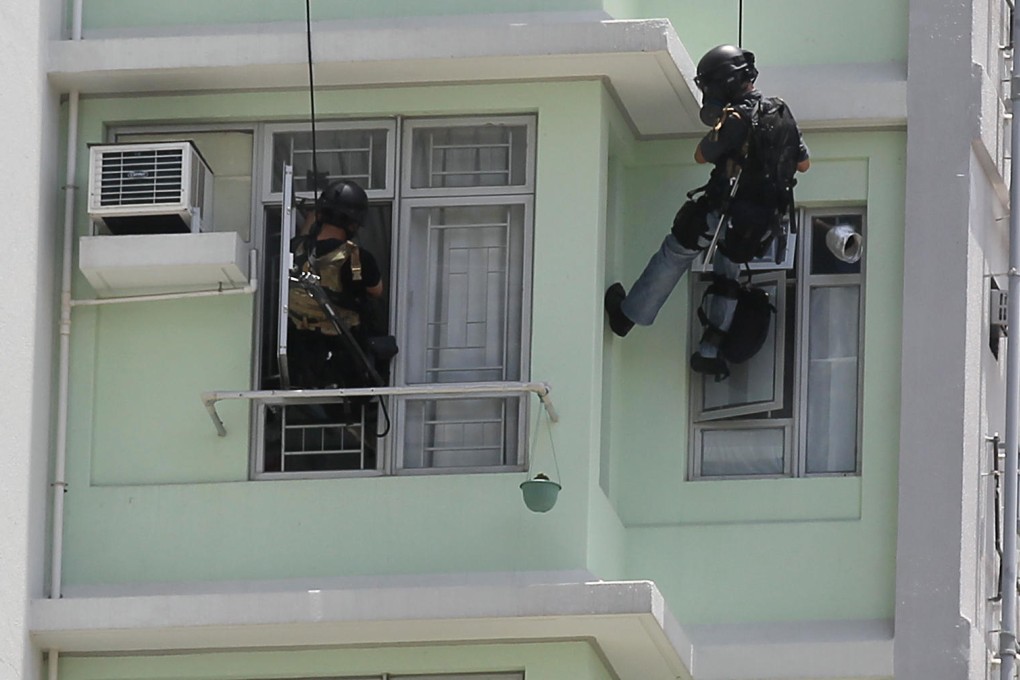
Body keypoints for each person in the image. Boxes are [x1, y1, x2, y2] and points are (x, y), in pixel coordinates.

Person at [604, 44, 810, 379]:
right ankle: (709, 352)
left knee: (676, 251)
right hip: (762, 223)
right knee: (727, 275)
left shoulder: (737, 119)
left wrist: (725, 129)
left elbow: (701, 155)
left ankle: (627, 316)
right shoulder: (782, 112)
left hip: (725, 211)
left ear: (724, 84)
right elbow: (804, 163)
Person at [286, 178, 386, 391]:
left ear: (320, 214)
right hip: (343, 359)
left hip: (299, 354)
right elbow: (377, 291)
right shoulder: (358, 258)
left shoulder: (295, 249)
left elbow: (306, 235)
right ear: (354, 224)